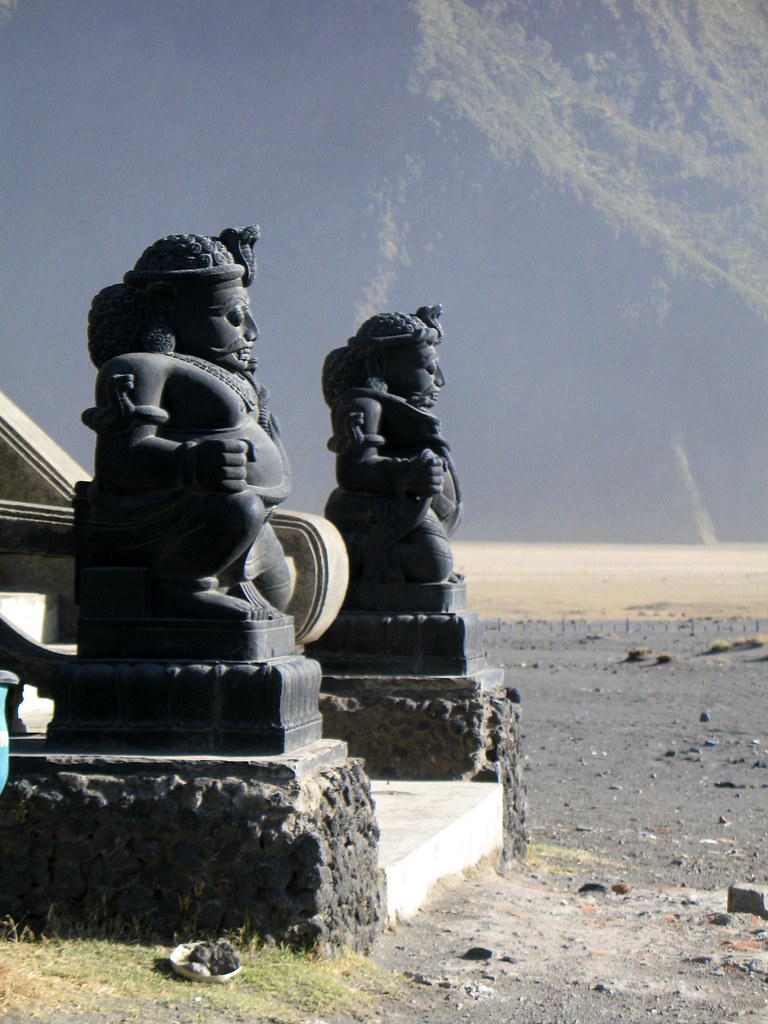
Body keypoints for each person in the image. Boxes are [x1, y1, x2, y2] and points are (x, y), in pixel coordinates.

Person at [80, 227, 291, 620]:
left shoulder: (222, 372)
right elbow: (118, 459)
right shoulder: (138, 367)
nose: (252, 331)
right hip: (175, 518)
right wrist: (191, 463)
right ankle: (183, 587)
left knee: (277, 596)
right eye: (233, 316)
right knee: (241, 507)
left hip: (235, 521)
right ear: (164, 306)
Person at [321, 306, 461, 585]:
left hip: (409, 512)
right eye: (429, 368)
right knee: (433, 564)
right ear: (381, 363)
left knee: (436, 565)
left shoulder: (401, 407)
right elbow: (352, 471)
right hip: (373, 513)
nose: (439, 380)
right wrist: (408, 474)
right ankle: (366, 561)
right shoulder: (362, 406)